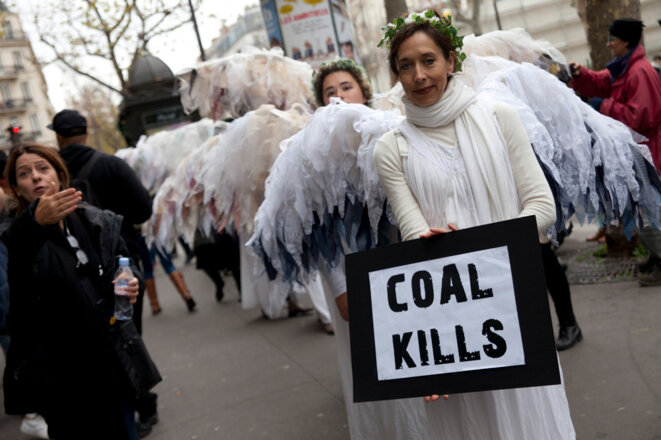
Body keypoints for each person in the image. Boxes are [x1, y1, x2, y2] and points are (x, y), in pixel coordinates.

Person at [372, 10, 575, 438]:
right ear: (396, 74)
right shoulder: (390, 149)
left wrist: (493, 249)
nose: (419, 75)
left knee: (529, 419)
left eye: (428, 60)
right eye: (405, 66)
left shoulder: (500, 117)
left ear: (450, 60)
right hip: (452, 318)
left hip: (511, 301)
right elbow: (413, 235)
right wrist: (431, 242)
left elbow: (541, 205)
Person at [1, 144, 142, 439]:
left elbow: (121, 262)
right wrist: (35, 224)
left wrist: (131, 281)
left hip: (111, 356)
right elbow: (18, 285)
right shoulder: (14, 235)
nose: (36, 178)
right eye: (24, 174)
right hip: (61, 372)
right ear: (15, 189)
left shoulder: (96, 220)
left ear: (60, 175)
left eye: (43, 168)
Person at [47, 110, 157, 435]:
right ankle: (143, 408)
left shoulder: (54, 173)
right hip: (123, 268)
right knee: (127, 333)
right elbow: (144, 209)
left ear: (59, 136)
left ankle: (118, 412)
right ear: (86, 131)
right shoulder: (111, 164)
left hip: (75, 277)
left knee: (97, 346)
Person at [569, 19, 661, 285]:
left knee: (648, 209)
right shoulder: (625, 68)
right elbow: (602, 81)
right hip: (635, 153)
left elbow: (641, 117)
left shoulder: (639, 72)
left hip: (646, 155)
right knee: (641, 209)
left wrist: (603, 106)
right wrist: (580, 75)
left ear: (626, 41)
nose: (608, 43)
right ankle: (656, 256)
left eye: (613, 39)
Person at [137, 237, 196, 314]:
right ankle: (186, 294)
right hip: (154, 234)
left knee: (147, 270)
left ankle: (154, 304)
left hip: (140, 236)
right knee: (169, 264)